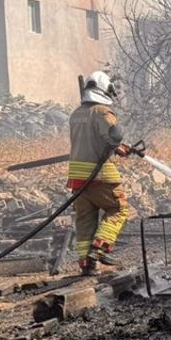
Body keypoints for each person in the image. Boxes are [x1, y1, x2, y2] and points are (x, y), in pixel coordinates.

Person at [68, 70, 135, 276]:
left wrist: (116, 145)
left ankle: (86, 264)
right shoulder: (102, 112)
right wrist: (120, 145)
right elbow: (113, 135)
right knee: (119, 209)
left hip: (77, 178)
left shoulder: (76, 114)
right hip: (100, 176)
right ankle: (100, 246)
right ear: (105, 90)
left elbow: (94, 139)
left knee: (85, 220)